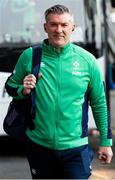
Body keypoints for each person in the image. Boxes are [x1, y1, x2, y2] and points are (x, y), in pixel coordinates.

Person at [5, 4, 113, 179]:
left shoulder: (87, 61)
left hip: (76, 148)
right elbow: (10, 86)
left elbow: (100, 104)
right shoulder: (30, 56)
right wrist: (23, 90)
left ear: (73, 28)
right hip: (39, 146)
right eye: (53, 24)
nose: (59, 30)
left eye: (64, 25)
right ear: (45, 27)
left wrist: (105, 143)